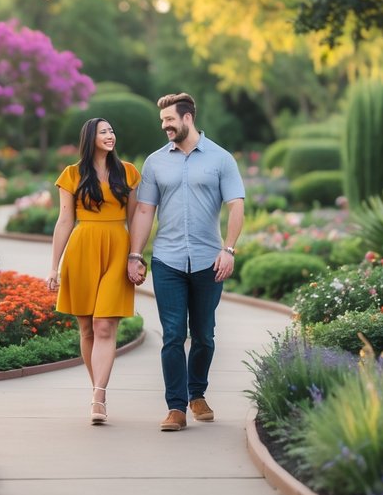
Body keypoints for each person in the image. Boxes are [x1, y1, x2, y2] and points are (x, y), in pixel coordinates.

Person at [126, 93, 245, 432]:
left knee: (205, 335)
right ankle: (176, 407)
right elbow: (145, 210)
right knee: (173, 335)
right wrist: (136, 254)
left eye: (169, 120)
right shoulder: (155, 162)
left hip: (210, 261)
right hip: (168, 260)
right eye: (162, 121)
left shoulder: (221, 159)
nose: (164, 126)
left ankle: (198, 394)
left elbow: (236, 205)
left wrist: (229, 250)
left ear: (188, 118)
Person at [49, 118, 142, 425]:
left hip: (117, 248)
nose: (110, 136)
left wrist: (136, 256)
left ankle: (98, 396)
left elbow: (136, 220)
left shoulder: (127, 171)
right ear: (90, 138)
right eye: (103, 132)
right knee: (87, 328)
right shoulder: (72, 174)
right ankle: (96, 390)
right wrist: (54, 266)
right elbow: (64, 221)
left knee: (104, 326)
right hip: (81, 248)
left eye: (112, 131)